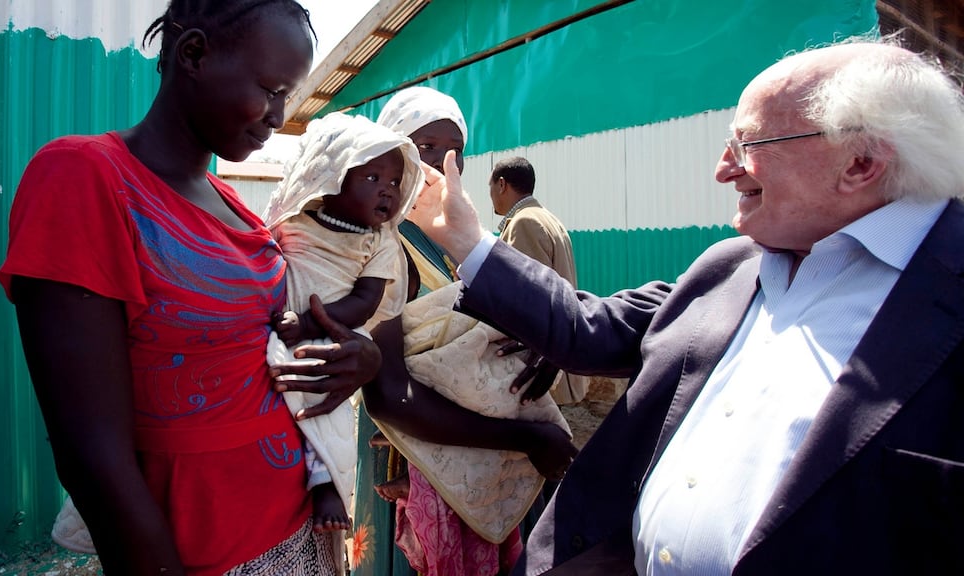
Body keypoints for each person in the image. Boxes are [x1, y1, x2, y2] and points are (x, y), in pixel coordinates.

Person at [408, 36, 964, 576]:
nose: (723, 169)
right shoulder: (731, 266)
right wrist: (465, 239)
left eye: (749, 146)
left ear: (861, 162)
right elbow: (587, 330)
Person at [0, 2, 382, 574]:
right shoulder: (85, 177)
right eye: (272, 89)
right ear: (194, 53)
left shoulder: (233, 208)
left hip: (299, 527)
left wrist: (361, 360)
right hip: (201, 550)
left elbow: (261, 343)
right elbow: (90, 454)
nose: (278, 116)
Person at [347, 86, 577, 576]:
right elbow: (388, 398)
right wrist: (526, 440)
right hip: (414, 463)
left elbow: (526, 317)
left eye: (456, 153)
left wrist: (538, 341)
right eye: (425, 146)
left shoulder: (459, 240)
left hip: (478, 469)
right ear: (389, 151)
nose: (441, 164)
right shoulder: (377, 248)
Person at [260, 111, 424, 535]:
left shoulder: (379, 243)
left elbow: (366, 302)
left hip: (330, 338)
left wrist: (314, 325)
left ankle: (329, 488)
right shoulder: (294, 220)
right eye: (373, 178)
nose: (386, 191)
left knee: (325, 412)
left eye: (393, 183)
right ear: (332, 176)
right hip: (275, 330)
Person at [489, 156, 589, 405]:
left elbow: (525, 299)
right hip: (558, 356)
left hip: (542, 365)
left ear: (501, 185)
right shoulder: (545, 217)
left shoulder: (524, 223)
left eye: (490, 187)